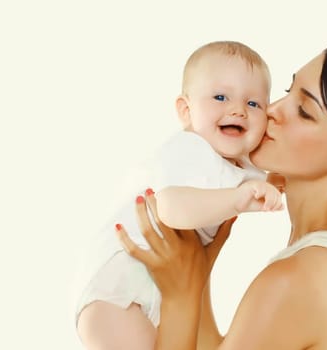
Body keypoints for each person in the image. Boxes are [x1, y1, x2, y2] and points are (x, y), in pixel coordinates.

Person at [115, 43, 327, 350]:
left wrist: (180, 297)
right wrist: (197, 275)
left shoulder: (303, 279)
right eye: (287, 92)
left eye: (303, 109)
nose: (270, 110)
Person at [73, 41, 285, 350]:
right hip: (118, 288)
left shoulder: (238, 164)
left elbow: (265, 183)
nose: (238, 109)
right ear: (186, 111)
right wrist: (238, 200)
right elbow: (170, 208)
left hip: (156, 288)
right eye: (220, 97)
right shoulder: (192, 149)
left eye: (254, 104)